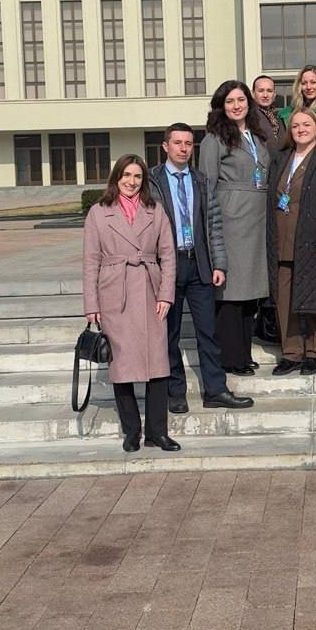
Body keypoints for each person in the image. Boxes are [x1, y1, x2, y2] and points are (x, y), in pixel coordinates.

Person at [149, 123, 254, 414]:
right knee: (169, 334)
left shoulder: (201, 180)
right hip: (167, 268)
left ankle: (216, 389)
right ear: (165, 146)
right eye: (177, 143)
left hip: (199, 265)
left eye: (188, 143)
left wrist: (219, 263)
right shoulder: (152, 180)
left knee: (208, 332)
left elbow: (214, 226)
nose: (183, 149)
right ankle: (175, 392)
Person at [82, 154, 179, 453]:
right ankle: (131, 431)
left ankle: (157, 432)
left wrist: (166, 294)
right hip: (115, 293)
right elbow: (90, 261)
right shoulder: (99, 212)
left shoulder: (155, 210)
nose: (131, 182)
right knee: (121, 366)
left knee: (158, 363)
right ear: (116, 177)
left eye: (137, 176)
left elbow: (168, 255)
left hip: (150, 291)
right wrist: (91, 304)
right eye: (126, 175)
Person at [198, 81, 270, 374]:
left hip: (257, 221)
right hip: (230, 222)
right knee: (230, 294)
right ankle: (230, 357)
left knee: (249, 293)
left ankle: (244, 352)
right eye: (230, 101)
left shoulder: (257, 135)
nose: (236, 106)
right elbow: (206, 185)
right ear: (221, 106)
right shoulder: (214, 139)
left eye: (241, 100)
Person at [266, 109, 316, 375]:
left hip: (313, 241)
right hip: (281, 240)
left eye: (306, 124)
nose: (301, 129)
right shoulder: (280, 159)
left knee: (315, 297)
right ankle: (291, 353)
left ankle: (313, 352)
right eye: (296, 125)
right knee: (284, 299)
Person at [252, 74, 284, 151]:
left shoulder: (278, 118)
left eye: (269, 91)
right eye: (261, 91)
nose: (265, 95)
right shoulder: (249, 117)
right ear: (253, 93)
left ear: (274, 94)